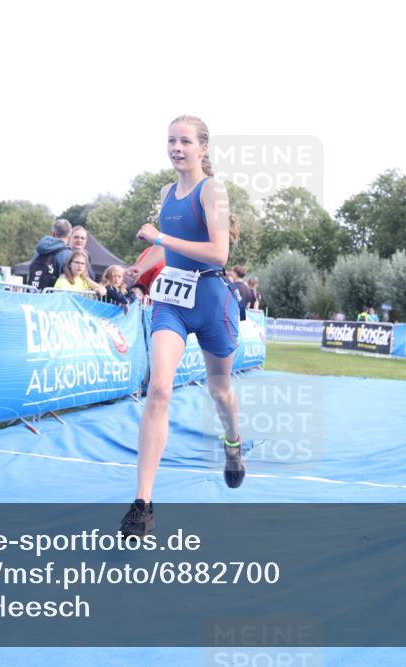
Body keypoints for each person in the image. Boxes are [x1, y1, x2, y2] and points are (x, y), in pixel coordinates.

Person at [120, 115, 244, 538]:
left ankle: (233, 444)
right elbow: (165, 255)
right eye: (171, 140)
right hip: (172, 301)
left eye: (185, 141)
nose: (176, 148)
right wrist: (137, 269)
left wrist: (160, 239)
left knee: (220, 391)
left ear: (202, 148)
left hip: (211, 301)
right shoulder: (166, 193)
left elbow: (219, 254)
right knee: (159, 387)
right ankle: (143, 503)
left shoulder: (215, 190)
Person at [28, 218, 73, 290]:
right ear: (70, 236)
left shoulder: (39, 251)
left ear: (53, 233)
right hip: (53, 298)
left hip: (33, 295)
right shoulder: (69, 254)